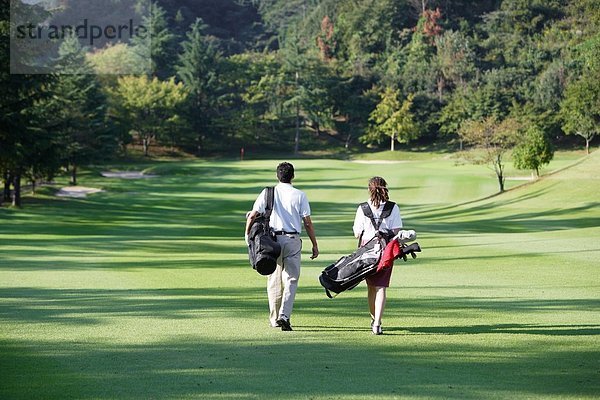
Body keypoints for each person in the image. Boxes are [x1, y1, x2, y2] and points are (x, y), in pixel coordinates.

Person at [245, 162, 319, 331]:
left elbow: (253, 215)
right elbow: (307, 223)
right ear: (292, 176)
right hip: (292, 239)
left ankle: (274, 318)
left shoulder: (268, 192)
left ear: (277, 176)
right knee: (291, 279)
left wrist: (247, 235)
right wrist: (314, 244)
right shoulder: (300, 195)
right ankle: (284, 316)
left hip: (271, 240)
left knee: (274, 279)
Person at [352, 176, 402, 335]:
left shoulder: (363, 208)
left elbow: (356, 233)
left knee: (371, 287)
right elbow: (396, 231)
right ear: (385, 188)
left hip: (367, 248)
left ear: (369, 189)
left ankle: (374, 319)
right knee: (381, 287)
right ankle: (377, 323)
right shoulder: (393, 207)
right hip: (386, 249)